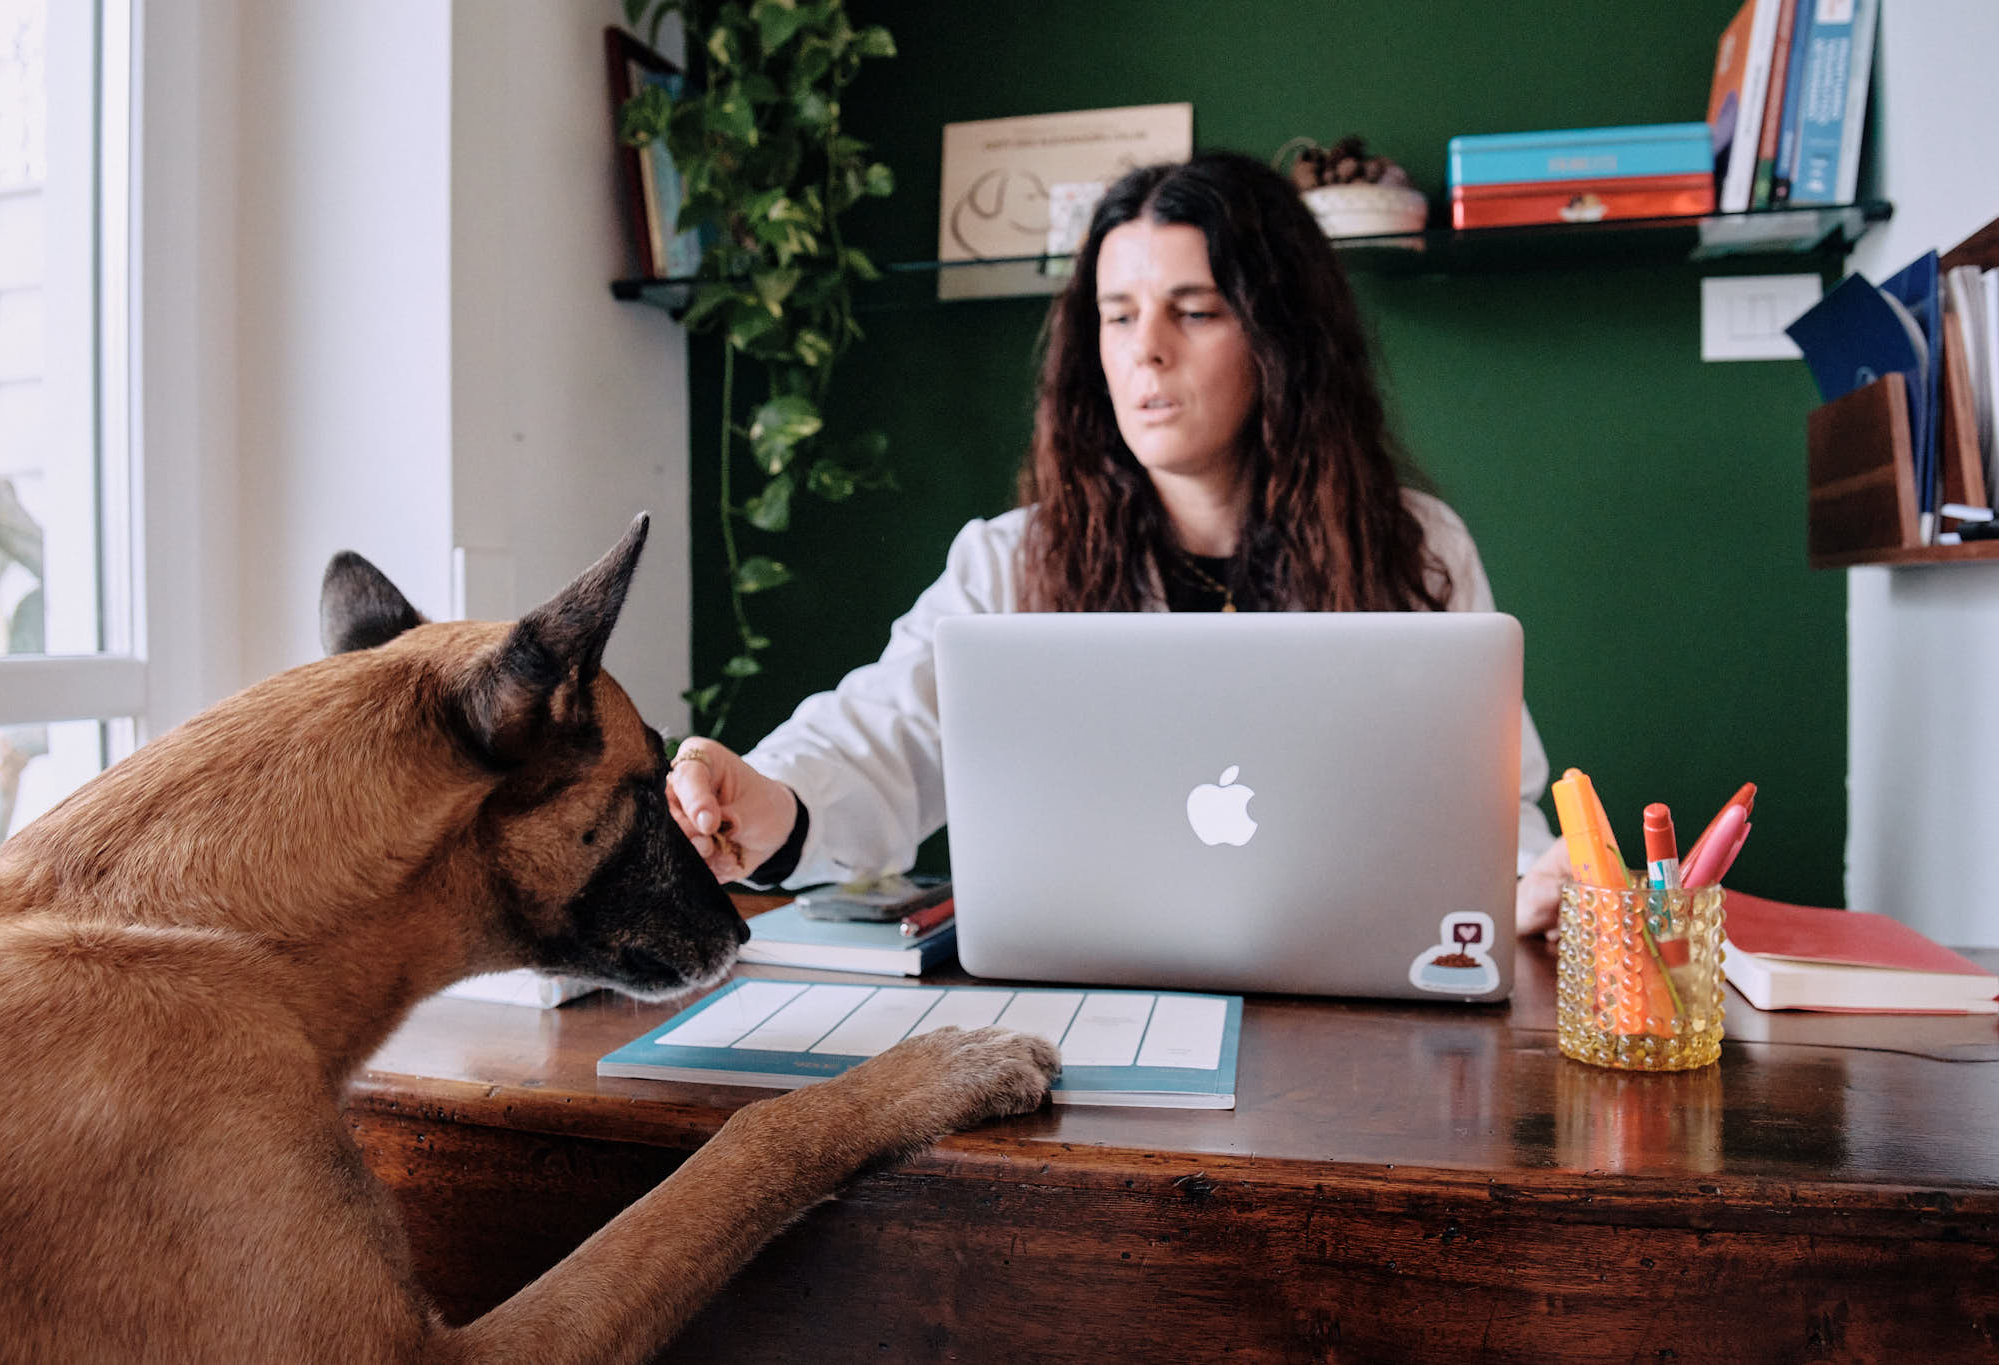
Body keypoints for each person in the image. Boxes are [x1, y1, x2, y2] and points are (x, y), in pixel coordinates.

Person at [667, 151, 1574, 934]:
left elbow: (1492, 806)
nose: (1147, 350)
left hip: (1357, 990)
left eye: (1196, 310)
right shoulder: (1008, 561)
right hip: (1084, 998)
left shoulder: (1415, 545)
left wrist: (1536, 876)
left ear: (1281, 339)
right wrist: (765, 800)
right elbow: (882, 738)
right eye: (1117, 314)